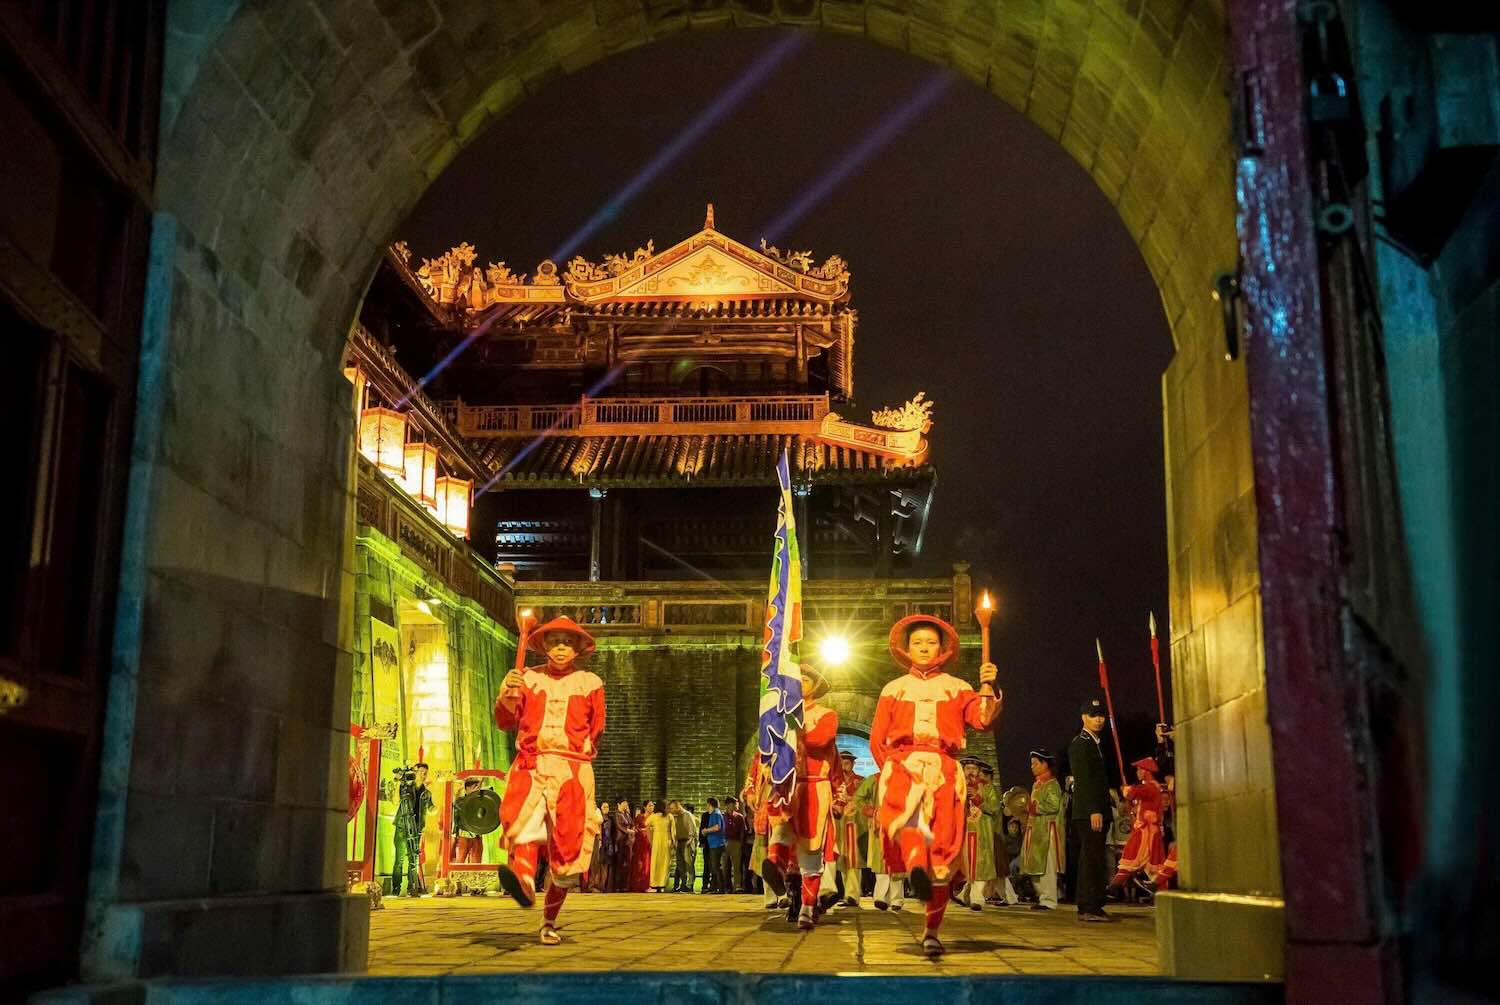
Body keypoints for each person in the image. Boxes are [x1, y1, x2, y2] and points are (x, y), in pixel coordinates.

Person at [871, 616, 1000, 957]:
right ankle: (915, 868)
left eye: (931, 642)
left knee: (942, 851)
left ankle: (931, 930)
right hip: (903, 762)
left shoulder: (958, 687)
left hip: (944, 767)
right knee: (903, 819)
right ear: (906, 648)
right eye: (918, 642)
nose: (924, 647)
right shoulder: (893, 689)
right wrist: (890, 769)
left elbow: (982, 720)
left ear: (942, 648)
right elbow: (876, 738)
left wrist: (987, 686)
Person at [493, 616, 606, 945]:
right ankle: (524, 882)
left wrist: (576, 754)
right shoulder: (526, 678)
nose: (560, 648)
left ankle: (548, 921)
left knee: (568, 851)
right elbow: (505, 721)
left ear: (577, 649)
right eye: (555, 641)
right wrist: (508, 692)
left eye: (567, 642)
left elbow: (596, 728)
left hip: (572, 770)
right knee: (523, 824)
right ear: (543, 646)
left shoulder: (590, 682)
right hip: (533, 764)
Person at [764, 663, 843, 930]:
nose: (801, 684)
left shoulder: (826, 714)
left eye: (806, 680)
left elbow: (821, 740)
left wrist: (792, 728)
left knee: (810, 851)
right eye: (797, 680)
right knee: (780, 836)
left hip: (813, 787)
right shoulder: (780, 713)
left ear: (815, 686)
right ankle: (775, 871)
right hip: (787, 785)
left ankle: (808, 907)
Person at [1068, 697, 1115, 923]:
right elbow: (1084, 780)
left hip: (1097, 810)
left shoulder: (1096, 743)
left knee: (1096, 857)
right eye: (1093, 715)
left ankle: (1095, 902)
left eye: (1101, 715)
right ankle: (1087, 906)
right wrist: (1094, 809)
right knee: (1090, 857)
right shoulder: (1081, 743)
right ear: (1083, 717)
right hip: (1089, 812)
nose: (1098, 719)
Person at [1007, 748, 1065, 910]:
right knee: (1034, 867)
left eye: (1035, 763)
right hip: (1036, 831)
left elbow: (1053, 805)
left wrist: (1033, 808)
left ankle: (1050, 900)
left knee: (1047, 867)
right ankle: (1043, 897)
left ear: (1045, 764)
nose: (1032, 766)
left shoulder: (1052, 784)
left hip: (1047, 832)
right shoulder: (1037, 785)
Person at [1110, 757, 1168, 890]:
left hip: (1146, 832)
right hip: (1145, 830)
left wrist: (1126, 790)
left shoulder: (1151, 786)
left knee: (1133, 858)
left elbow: (1132, 793)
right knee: (1150, 864)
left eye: (1139, 769)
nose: (1137, 772)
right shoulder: (1149, 786)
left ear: (1145, 771)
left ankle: (1114, 888)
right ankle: (1114, 887)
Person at [853, 770, 904, 911]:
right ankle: (880, 897)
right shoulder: (874, 779)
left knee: (897, 861)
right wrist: (871, 811)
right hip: (879, 826)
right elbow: (858, 797)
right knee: (880, 860)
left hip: (899, 824)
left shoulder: (905, 778)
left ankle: (896, 899)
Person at [955, 757, 1000, 911]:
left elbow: (994, 808)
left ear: (979, 771)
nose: (971, 772)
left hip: (982, 834)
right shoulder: (958, 787)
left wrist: (977, 798)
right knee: (969, 867)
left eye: (974, 769)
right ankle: (965, 895)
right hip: (965, 832)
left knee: (980, 865)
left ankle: (977, 899)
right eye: (968, 769)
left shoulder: (988, 788)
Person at [824, 750, 863, 908]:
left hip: (853, 824)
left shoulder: (860, 781)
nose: (845, 764)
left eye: (848, 762)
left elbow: (865, 801)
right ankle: (839, 893)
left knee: (852, 859)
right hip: (836, 824)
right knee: (837, 858)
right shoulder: (833, 782)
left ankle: (852, 894)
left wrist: (851, 800)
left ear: (853, 763)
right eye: (842, 762)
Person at [391, 762, 433, 896]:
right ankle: (395, 889)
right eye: (420, 772)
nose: (423, 775)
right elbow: (395, 801)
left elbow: (431, 809)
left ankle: (412, 888)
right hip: (403, 826)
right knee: (399, 860)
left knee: (413, 860)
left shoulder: (427, 793)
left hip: (417, 828)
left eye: (425, 773)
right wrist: (398, 782)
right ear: (415, 773)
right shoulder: (405, 787)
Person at [451, 776, 485, 864]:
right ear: (467, 789)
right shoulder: (460, 801)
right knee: (460, 862)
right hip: (464, 836)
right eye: (474, 787)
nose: (477, 790)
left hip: (477, 836)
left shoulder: (482, 800)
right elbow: (463, 807)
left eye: (478, 787)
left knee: (476, 863)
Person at [701, 797, 726, 893]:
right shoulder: (715, 813)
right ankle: (714, 887)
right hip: (714, 843)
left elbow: (717, 827)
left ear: (710, 804)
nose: (706, 807)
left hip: (716, 844)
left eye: (707, 804)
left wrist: (706, 830)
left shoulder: (715, 814)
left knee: (715, 867)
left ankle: (721, 888)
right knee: (713, 867)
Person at [722, 797, 748, 893]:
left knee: (737, 866)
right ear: (729, 805)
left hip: (736, 842)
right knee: (725, 866)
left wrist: (741, 844)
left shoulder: (739, 817)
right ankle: (726, 886)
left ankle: (737, 885)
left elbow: (742, 831)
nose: (737, 806)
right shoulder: (722, 816)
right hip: (724, 842)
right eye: (735, 804)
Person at [647, 801, 673, 891]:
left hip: (656, 841)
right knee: (665, 862)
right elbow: (673, 831)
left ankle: (655, 883)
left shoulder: (653, 817)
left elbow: (646, 825)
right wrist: (674, 842)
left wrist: (650, 839)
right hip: (666, 839)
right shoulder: (669, 816)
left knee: (656, 862)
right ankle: (663, 883)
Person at [610, 799, 635, 892]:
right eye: (624, 803)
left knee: (627, 863)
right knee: (619, 863)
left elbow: (632, 824)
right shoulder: (617, 815)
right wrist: (628, 831)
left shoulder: (627, 814)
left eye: (626, 803)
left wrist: (632, 830)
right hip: (620, 841)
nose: (626, 805)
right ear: (619, 804)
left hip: (628, 841)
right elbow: (619, 826)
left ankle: (625, 885)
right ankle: (617, 886)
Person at [588, 800, 612, 892]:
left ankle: (592, 885)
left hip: (596, 837)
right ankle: (588, 885)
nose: (594, 805)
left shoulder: (597, 810)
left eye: (595, 803)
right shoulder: (587, 810)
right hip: (588, 837)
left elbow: (599, 820)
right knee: (588, 863)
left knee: (595, 862)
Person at [631, 800, 654, 892]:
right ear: (645, 807)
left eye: (652, 806)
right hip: (641, 842)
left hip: (651, 842)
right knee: (641, 863)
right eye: (649, 805)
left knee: (650, 863)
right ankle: (640, 885)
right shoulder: (640, 817)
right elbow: (635, 828)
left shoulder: (655, 817)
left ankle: (649, 884)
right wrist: (643, 831)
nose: (651, 807)